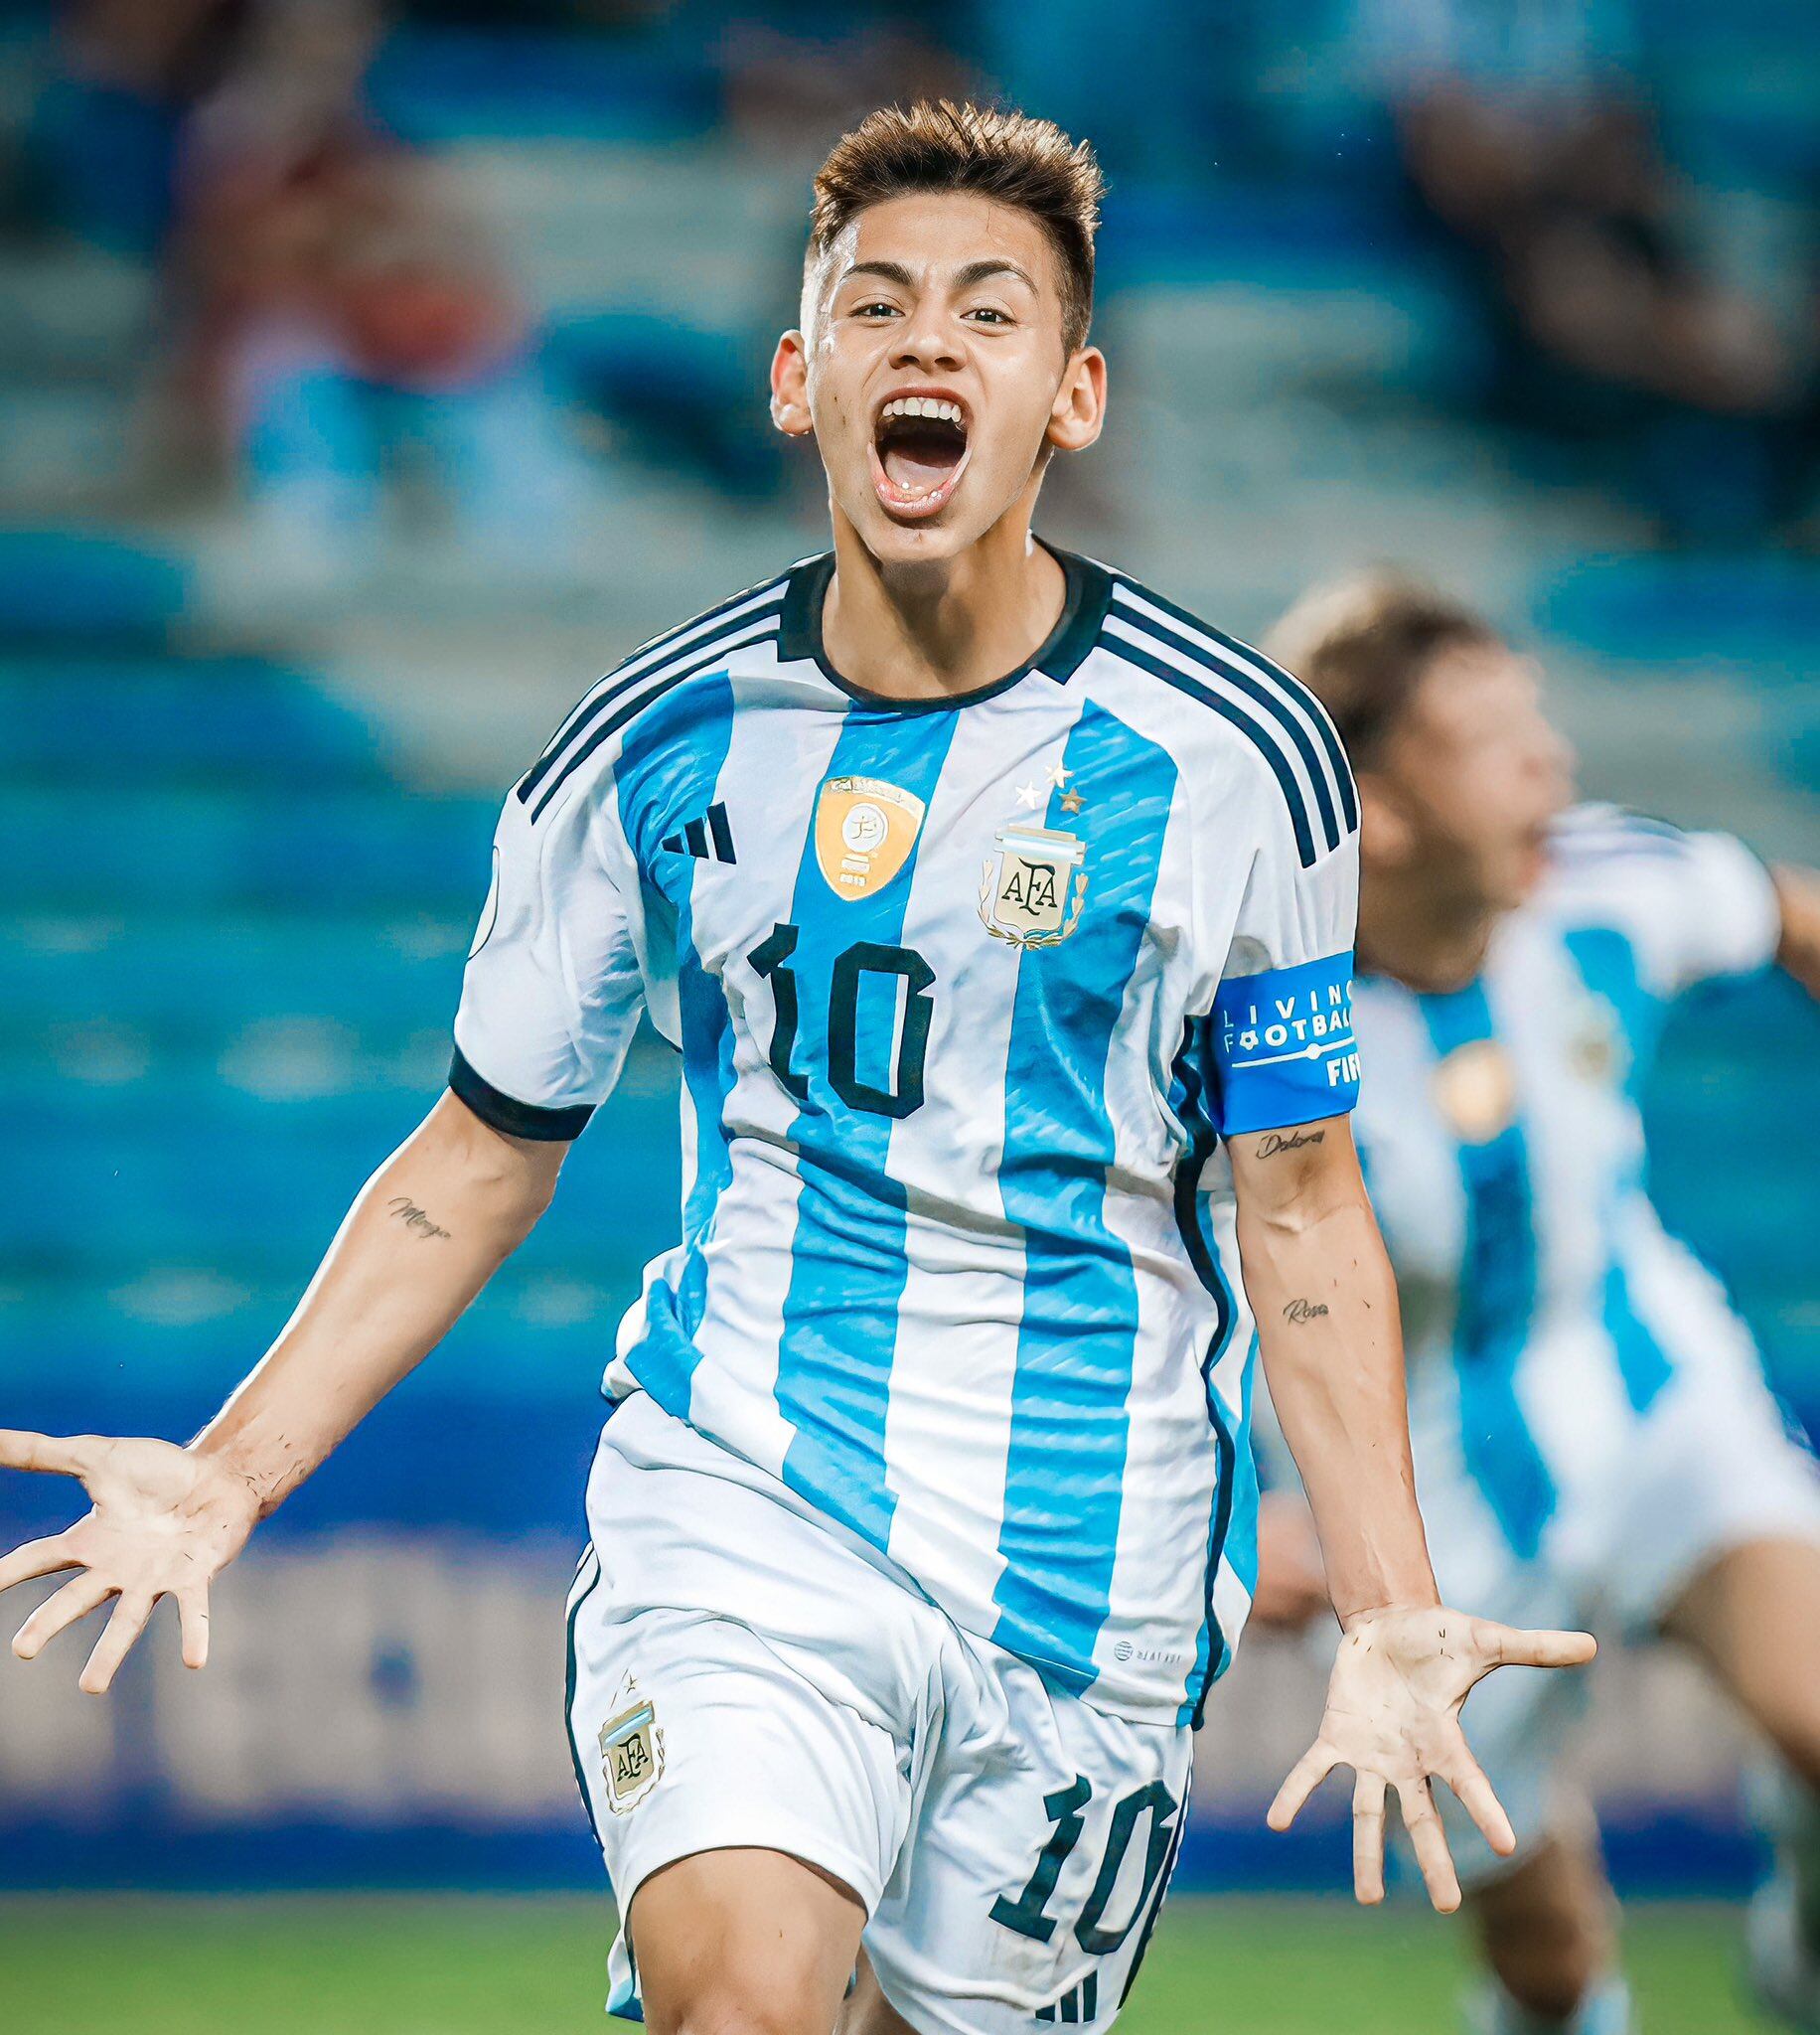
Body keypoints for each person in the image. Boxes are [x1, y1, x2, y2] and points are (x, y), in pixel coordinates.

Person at [0, 106, 1592, 2035]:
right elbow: (482, 1149)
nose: (928, 346)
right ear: (796, 375)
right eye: (876, 306)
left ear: (1071, 394)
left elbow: (1302, 1197)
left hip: (1093, 1571)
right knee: (739, 2008)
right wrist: (230, 1469)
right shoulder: (650, 750)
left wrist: (1384, 1599)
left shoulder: (1239, 762)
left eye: (988, 314)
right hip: (747, 1487)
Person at [1249, 571, 1820, 2035]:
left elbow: (1781, 912)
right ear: (1375, 807)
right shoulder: (1249, 1016)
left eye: (1538, 723)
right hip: (1429, 1506)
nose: (1551, 764)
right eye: (1494, 739)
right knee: (1551, 1955)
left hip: (1651, 1393)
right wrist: (1237, 1514)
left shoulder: (1608, 888)